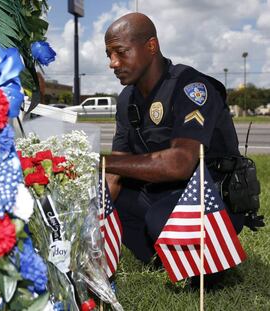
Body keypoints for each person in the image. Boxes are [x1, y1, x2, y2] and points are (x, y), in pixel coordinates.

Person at [104, 12, 248, 265]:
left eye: (121, 52)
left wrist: (98, 160)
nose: (113, 63)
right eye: (109, 55)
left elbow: (179, 164)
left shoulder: (191, 87)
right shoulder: (127, 99)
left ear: (151, 46)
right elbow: (115, 170)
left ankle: (210, 266)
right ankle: (161, 261)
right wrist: (92, 217)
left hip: (208, 194)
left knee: (160, 219)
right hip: (161, 193)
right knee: (108, 202)